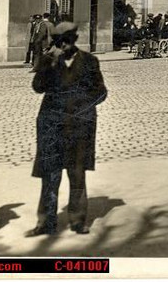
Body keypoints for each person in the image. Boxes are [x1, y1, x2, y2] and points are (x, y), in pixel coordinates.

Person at [27, 22, 107, 236]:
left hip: (79, 127)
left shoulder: (90, 62)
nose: (64, 45)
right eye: (60, 41)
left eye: (68, 39)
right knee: (50, 175)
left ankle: (78, 221)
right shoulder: (48, 60)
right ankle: (45, 222)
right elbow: (37, 87)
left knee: (77, 174)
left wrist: (82, 107)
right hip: (52, 127)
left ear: (75, 39)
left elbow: (101, 92)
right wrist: (47, 64)